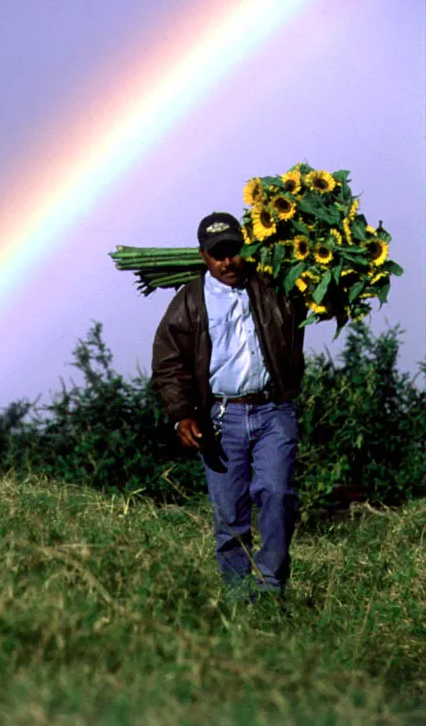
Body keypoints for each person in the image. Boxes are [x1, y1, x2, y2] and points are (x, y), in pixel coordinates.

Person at [151, 211, 307, 600]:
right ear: (203, 256)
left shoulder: (274, 286)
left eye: (234, 251)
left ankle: (270, 589)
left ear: (246, 248)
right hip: (222, 419)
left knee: (277, 494)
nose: (227, 262)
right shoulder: (189, 301)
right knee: (230, 517)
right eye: (218, 254)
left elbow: (315, 296)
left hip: (273, 411)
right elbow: (168, 362)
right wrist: (182, 415)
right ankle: (240, 601)